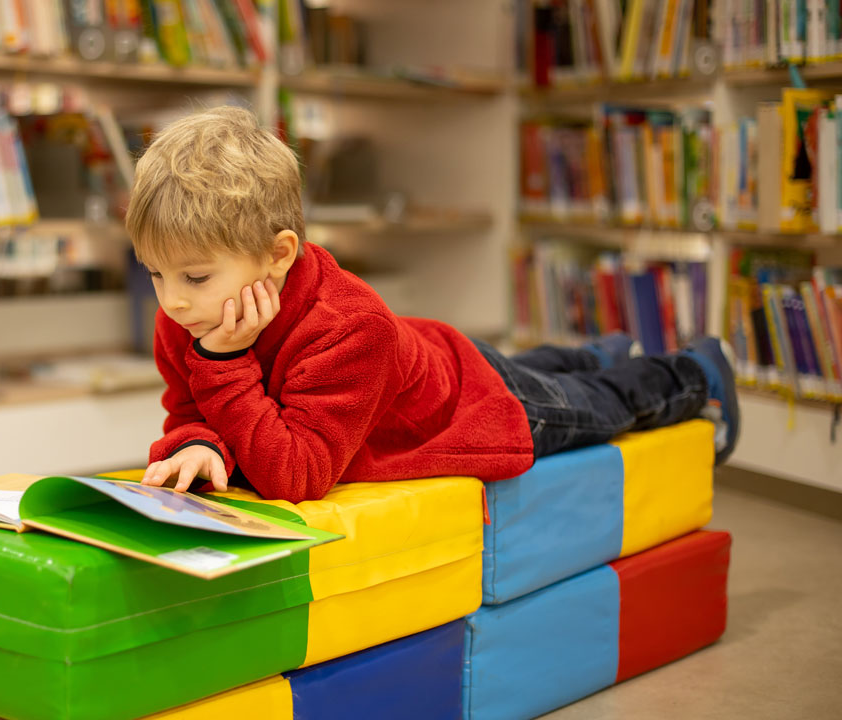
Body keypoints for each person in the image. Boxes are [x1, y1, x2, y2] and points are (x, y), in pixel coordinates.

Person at [128, 106, 738, 504]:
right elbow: (190, 409)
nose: (173, 301)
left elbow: (299, 475)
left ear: (278, 254)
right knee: (542, 365)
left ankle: (696, 371)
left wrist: (226, 363)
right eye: (155, 274)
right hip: (423, 353)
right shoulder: (188, 314)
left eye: (196, 276)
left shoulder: (348, 327)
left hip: (464, 403)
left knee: (604, 406)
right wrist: (197, 444)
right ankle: (597, 352)